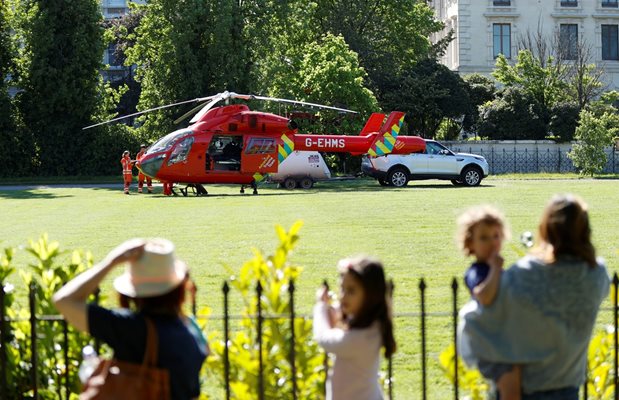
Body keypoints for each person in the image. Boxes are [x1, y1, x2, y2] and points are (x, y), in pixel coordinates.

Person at [459, 194, 610, 400]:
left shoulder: (525, 273)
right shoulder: (598, 274)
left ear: (545, 229)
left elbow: (476, 320)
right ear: (585, 230)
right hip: (568, 385)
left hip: (525, 387)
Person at [53, 238, 208, 400]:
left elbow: (64, 301)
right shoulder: (191, 329)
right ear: (180, 289)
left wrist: (111, 262)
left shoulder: (132, 328)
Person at [456, 205, 520, 400]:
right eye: (484, 238)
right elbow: (485, 296)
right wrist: (494, 270)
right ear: (471, 244)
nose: (492, 242)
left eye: (496, 236)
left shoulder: (499, 271)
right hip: (491, 347)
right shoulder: (478, 271)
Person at [313, 256, 396, 400]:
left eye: (351, 291)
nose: (343, 296)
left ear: (370, 296)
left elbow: (324, 338)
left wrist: (320, 307)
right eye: (342, 288)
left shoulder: (360, 338)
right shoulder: (371, 325)